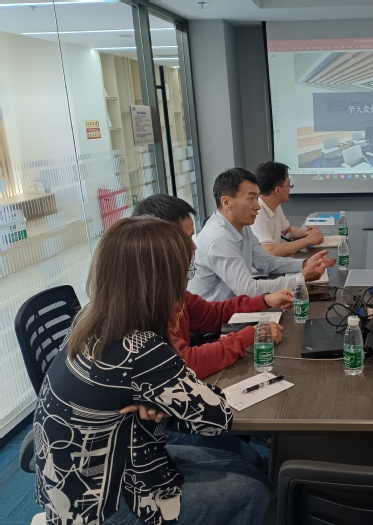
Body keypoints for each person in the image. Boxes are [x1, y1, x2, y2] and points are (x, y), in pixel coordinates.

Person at [34, 217, 270, 525]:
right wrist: (164, 403)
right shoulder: (140, 347)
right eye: (184, 273)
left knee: (240, 464)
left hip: (74, 484)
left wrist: (159, 403)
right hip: (104, 504)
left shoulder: (87, 320)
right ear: (161, 282)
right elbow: (216, 418)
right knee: (254, 491)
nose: (185, 283)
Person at [132, 194, 293, 378]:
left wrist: (264, 300)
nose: (193, 247)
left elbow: (211, 314)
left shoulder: (169, 288)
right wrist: (251, 335)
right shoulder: (143, 306)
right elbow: (185, 363)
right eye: (186, 239)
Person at [188, 167, 336, 301]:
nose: (258, 206)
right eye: (251, 198)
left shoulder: (242, 225)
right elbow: (247, 290)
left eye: (257, 198)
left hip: (235, 306)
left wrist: (304, 264)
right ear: (226, 202)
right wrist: (300, 278)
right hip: (218, 318)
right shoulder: (219, 238)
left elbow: (265, 262)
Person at [251, 161, 324, 256]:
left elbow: (287, 232)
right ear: (278, 190)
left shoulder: (275, 205)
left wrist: (307, 233)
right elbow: (270, 251)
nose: (290, 189)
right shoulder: (256, 213)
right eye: (289, 186)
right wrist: (308, 240)